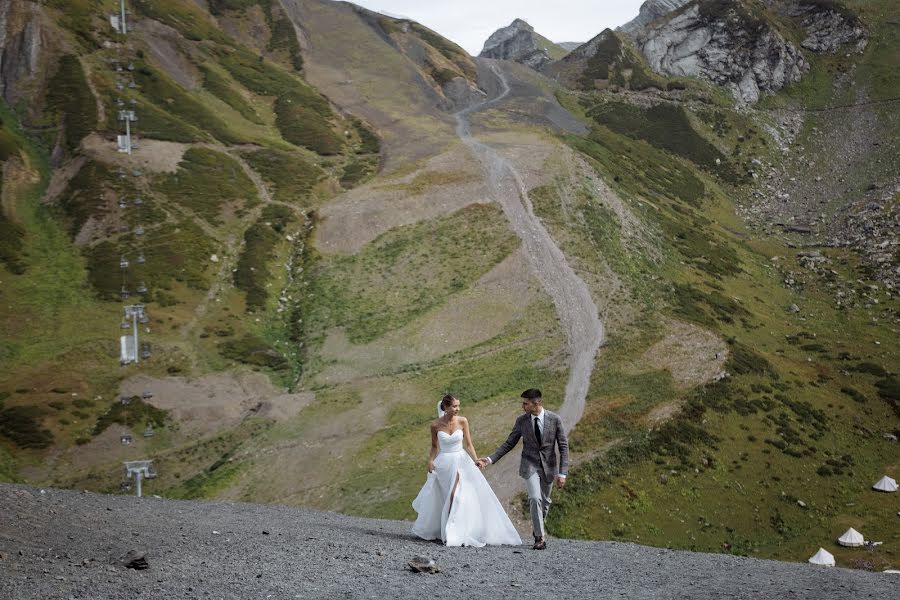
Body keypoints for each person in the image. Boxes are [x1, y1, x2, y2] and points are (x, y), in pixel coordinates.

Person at [411, 394, 521, 547]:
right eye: (455, 406)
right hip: (443, 464)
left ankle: (453, 533)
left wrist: (476, 459)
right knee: (443, 497)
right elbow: (434, 446)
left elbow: (469, 444)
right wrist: (430, 461)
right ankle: (445, 531)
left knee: (454, 495)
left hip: (460, 462)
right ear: (446, 407)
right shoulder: (435, 425)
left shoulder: (463, 421)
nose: (458, 409)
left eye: (458, 406)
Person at [477, 388, 568, 550]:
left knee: (545, 502)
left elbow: (563, 446)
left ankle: (537, 527)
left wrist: (562, 473)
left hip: (549, 467)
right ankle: (540, 538)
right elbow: (509, 443)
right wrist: (489, 459)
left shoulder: (555, 419)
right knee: (535, 498)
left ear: (536, 403)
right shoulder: (522, 421)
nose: (523, 406)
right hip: (529, 465)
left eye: (525, 404)